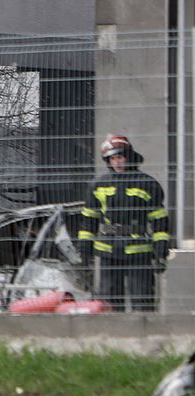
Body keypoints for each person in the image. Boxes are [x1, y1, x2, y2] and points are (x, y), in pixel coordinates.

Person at [79, 133, 173, 312]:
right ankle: (112, 338)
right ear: (108, 161)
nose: (117, 162)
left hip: (139, 251)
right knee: (109, 302)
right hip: (108, 251)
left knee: (142, 300)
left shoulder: (147, 184)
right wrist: (85, 252)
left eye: (120, 157)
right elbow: (89, 221)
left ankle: (144, 335)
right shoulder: (98, 185)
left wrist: (160, 251)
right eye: (112, 158)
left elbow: (160, 221)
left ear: (128, 156)